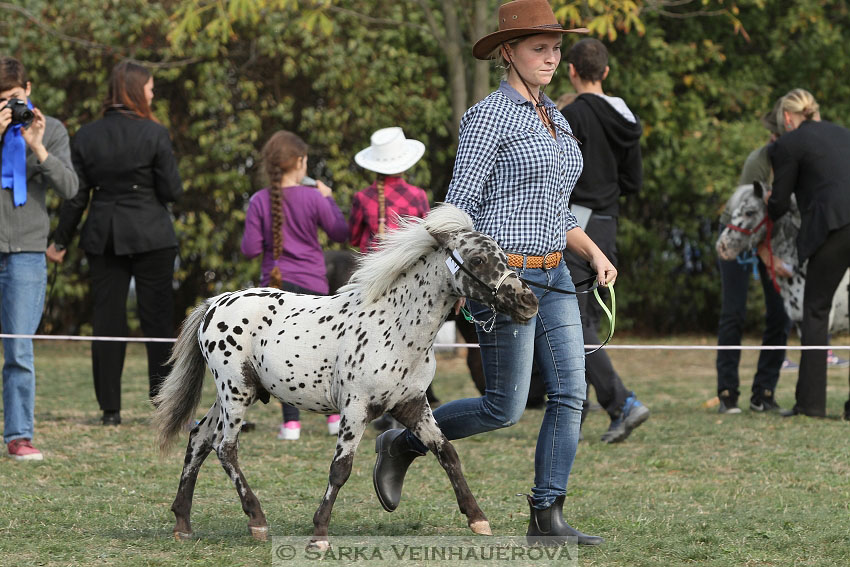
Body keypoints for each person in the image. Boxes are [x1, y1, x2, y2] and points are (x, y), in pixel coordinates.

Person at [372, 0, 616, 546]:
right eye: (539, 48)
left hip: (556, 275)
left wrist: (593, 252)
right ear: (508, 52)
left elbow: (553, 208)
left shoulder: (554, 116)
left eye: (555, 48)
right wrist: (468, 280)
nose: (552, 57)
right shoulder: (488, 116)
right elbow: (457, 209)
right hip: (503, 282)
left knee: (572, 393)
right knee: (503, 408)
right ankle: (403, 443)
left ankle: (546, 516)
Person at [48, 61, 182, 426]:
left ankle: (110, 410)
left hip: (103, 234)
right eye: (151, 88)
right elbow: (172, 191)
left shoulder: (88, 135)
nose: (153, 94)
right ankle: (163, 404)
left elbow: (76, 197)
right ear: (138, 91)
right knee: (157, 322)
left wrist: (60, 241)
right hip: (152, 234)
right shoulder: (155, 134)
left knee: (107, 322)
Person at [560, 38, 649, 442]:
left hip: (577, 223)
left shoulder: (572, 115)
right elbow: (634, 180)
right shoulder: (625, 114)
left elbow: (561, 175)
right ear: (607, 72)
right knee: (586, 319)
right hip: (608, 222)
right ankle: (576, 409)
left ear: (572, 71)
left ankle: (620, 402)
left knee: (573, 321)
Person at [241, 130, 348, 440]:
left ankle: (291, 424)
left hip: (274, 289)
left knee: (283, 355)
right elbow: (340, 232)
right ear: (299, 162)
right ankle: (333, 417)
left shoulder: (260, 200)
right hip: (315, 285)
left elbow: (249, 249)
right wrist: (329, 199)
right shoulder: (315, 197)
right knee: (324, 351)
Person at [1, 56, 78, 460]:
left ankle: (18, 435)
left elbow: (70, 188)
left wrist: (37, 146)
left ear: (27, 90)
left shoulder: (53, 130)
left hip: (28, 255)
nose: (9, 107)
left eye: (13, 98)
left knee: (19, 349)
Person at [766, 88, 850, 418]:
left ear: (788, 118)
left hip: (835, 224)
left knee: (815, 309)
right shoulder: (843, 132)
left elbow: (780, 202)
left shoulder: (787, 144)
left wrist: (769, 204)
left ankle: (811, 405)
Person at [350, 126, 435, 431]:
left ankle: (376, 400)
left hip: (375, 282)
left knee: (377, 345)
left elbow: (356, 238)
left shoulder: (363, 198)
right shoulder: (418, 196)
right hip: (410, 282)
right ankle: (405, 403)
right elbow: (426, 237)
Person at [714, 98, 791, 414]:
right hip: (739, 238)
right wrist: (767, 256)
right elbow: (748, 216)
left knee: (780, 313)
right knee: (734, 312)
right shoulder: (758, 162)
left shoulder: (799, 161)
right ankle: (727, 392)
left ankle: (764, 392)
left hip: (774, 239)